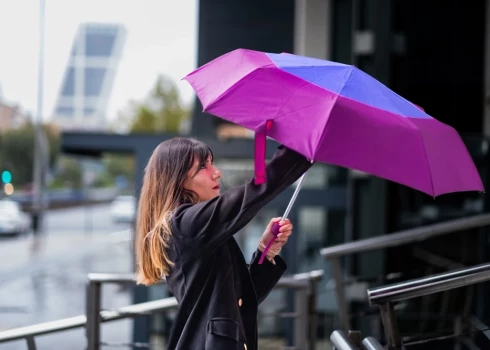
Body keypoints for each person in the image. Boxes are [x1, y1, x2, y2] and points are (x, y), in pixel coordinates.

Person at [135, 137, 313, 350]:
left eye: (212, 163)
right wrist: (300, 147)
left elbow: (242, 299)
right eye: (203, 167)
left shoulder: (194, 228)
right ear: (177, 179)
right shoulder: (187, 224)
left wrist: (266, 252)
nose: (216, 172)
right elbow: (253, 194)